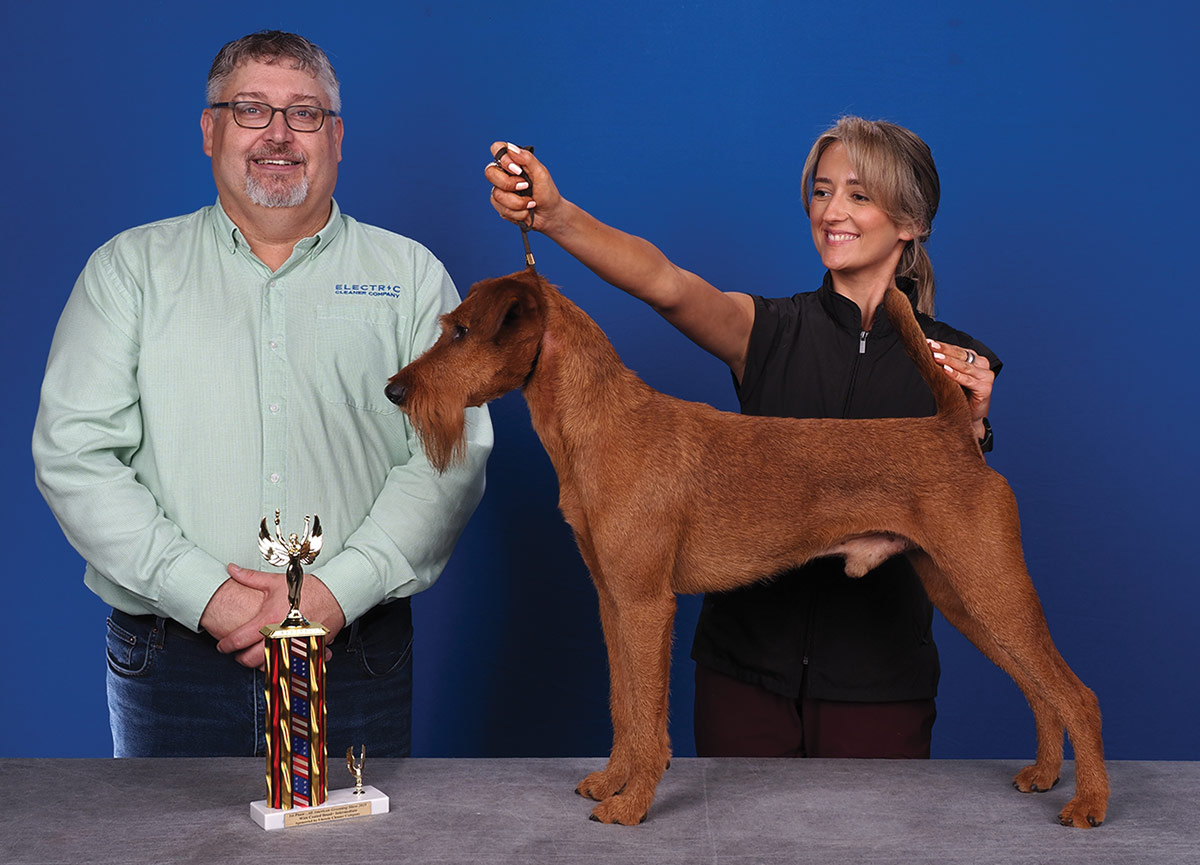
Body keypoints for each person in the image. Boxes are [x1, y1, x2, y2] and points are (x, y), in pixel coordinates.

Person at [32, 31, 492, 758]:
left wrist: (331, 594)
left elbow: (451, 456)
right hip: (171, 659)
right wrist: (208, 597)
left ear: (336, 138)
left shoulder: (411, 277)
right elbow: (75, 456)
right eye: (251, 109)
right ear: (211, 129)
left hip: (354, 655)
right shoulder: (127, 272)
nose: (278, 134)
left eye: (304, 114)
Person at [485, 118, 999, 759]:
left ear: (911, 221)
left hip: (882, 690)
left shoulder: (957, 360)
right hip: (742, 682)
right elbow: (665, 283)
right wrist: (556, 216)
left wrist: (974, 424)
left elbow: (963, 508)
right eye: (820, 190)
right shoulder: (766, 330)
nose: (831, 211)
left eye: (859, 195)